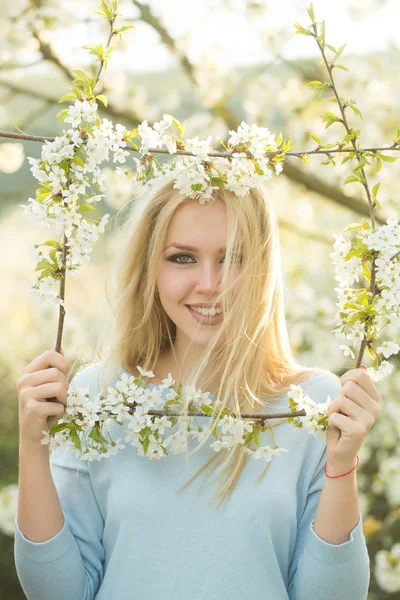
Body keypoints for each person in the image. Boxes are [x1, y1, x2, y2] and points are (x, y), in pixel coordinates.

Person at [14, 174, 370, 599]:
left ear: (263, 266)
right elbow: (58, 592)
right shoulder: (102, 398)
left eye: (233, 257)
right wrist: (32, 445)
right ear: (151, 268)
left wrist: (342, 463)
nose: (209, 283)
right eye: (182, 258)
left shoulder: (308, 406)